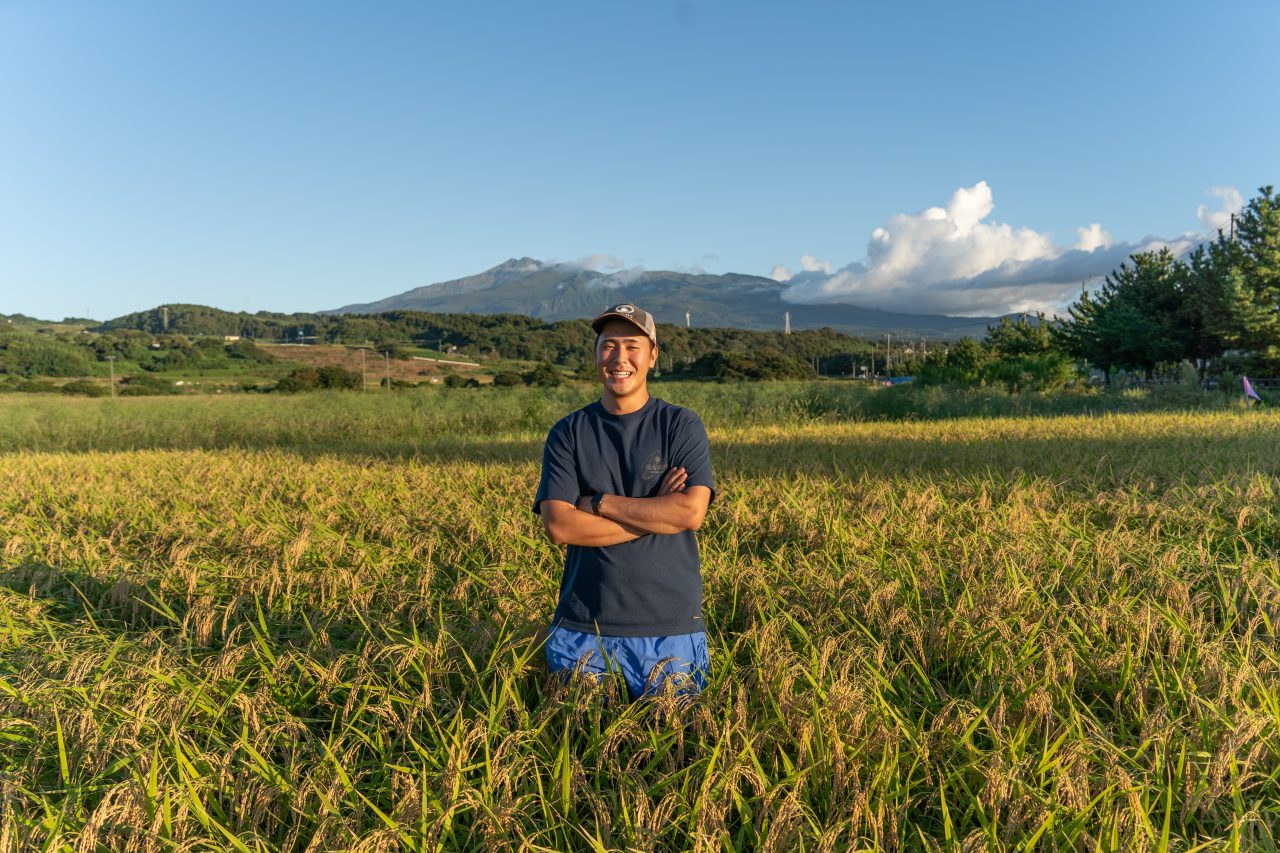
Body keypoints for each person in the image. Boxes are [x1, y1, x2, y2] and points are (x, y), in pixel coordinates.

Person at [533, 303, 715, 702]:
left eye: (632, 346)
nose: (619, 358)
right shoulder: (569, 432)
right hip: (584, 630)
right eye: (608, 346)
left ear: (653, 355)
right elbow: (560, 527)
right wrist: (655, 510)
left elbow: (690, 512)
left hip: (671, 630)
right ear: (596, 354)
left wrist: (597, 502)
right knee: (578, 753)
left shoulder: (680, 425)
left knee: (675, 753)